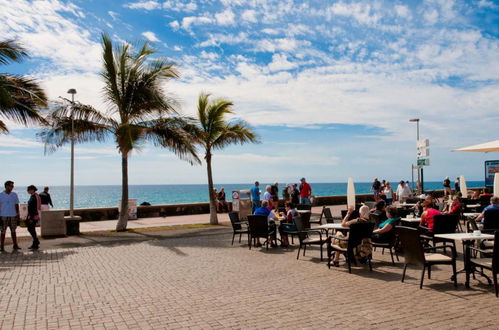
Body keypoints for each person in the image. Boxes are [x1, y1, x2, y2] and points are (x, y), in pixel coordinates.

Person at [0, 180, 21, 251]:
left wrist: (18, 214)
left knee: (13, 231)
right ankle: (1, 246)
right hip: (3, 216)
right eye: (11, 186)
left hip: (13, 215)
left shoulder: (14, 194)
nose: (12, 187)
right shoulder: (1, 195)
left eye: (13, 186)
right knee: (3, 231)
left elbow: (16, 205)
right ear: (6, 186)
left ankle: (15, 245)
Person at [26, 185, 41, 250]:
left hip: (33, 216)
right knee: (31, 229)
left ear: (32, 190)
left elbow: (33, 208)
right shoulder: (35, 196)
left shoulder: (34, 197)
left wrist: (31, 218)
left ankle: (36, 242)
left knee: (30, 229)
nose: (27, 191)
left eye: (28, 189)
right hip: (34, 215)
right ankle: (35, 242)